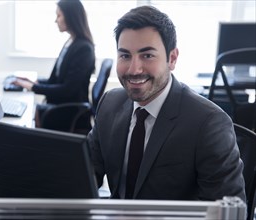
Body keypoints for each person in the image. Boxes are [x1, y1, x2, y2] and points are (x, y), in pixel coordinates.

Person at [87, 5, 246, 201]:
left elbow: (227, 209)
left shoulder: (209, 123)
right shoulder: (110, 104)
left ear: (172, 58)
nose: (134, 69)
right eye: (125, 55)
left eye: (147, 55)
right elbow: (85, 175)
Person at [13, 0, 95, 127]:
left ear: (70, 16)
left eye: (59, 15)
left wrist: (32, 87)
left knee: (27, 115)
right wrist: (33, 81)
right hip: (61, 104)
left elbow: (67, 89)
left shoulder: (84, 48)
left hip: (69, 111)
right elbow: (55, 80)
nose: (56, 20)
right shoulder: (71, 42)